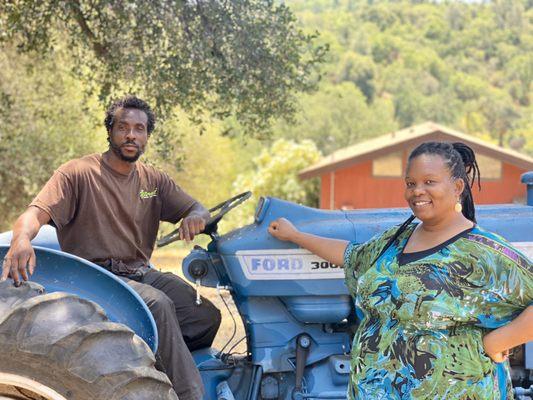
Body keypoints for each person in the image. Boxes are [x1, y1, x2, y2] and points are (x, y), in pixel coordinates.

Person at [268, 141, 532, 399]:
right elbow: (351, 256)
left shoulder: (483, 253)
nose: (417, 191)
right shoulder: (396, 240)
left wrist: (497, 342)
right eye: (410, 183)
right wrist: (297, 236)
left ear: (458, 187)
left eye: (429, 182)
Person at [1, 95, 221, 400]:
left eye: (139, 129)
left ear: (147, 136)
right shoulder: (78, 173)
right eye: (123, 127)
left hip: (140, 272)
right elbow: (34, 213)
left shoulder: (153, 180)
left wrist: (195, 217)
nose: (131, 135)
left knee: (204, 316)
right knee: (158, 305)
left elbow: (197, 208)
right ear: (110, 131)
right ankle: (189, 394)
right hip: (97, 275)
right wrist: (22, 238)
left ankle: (143, 365)